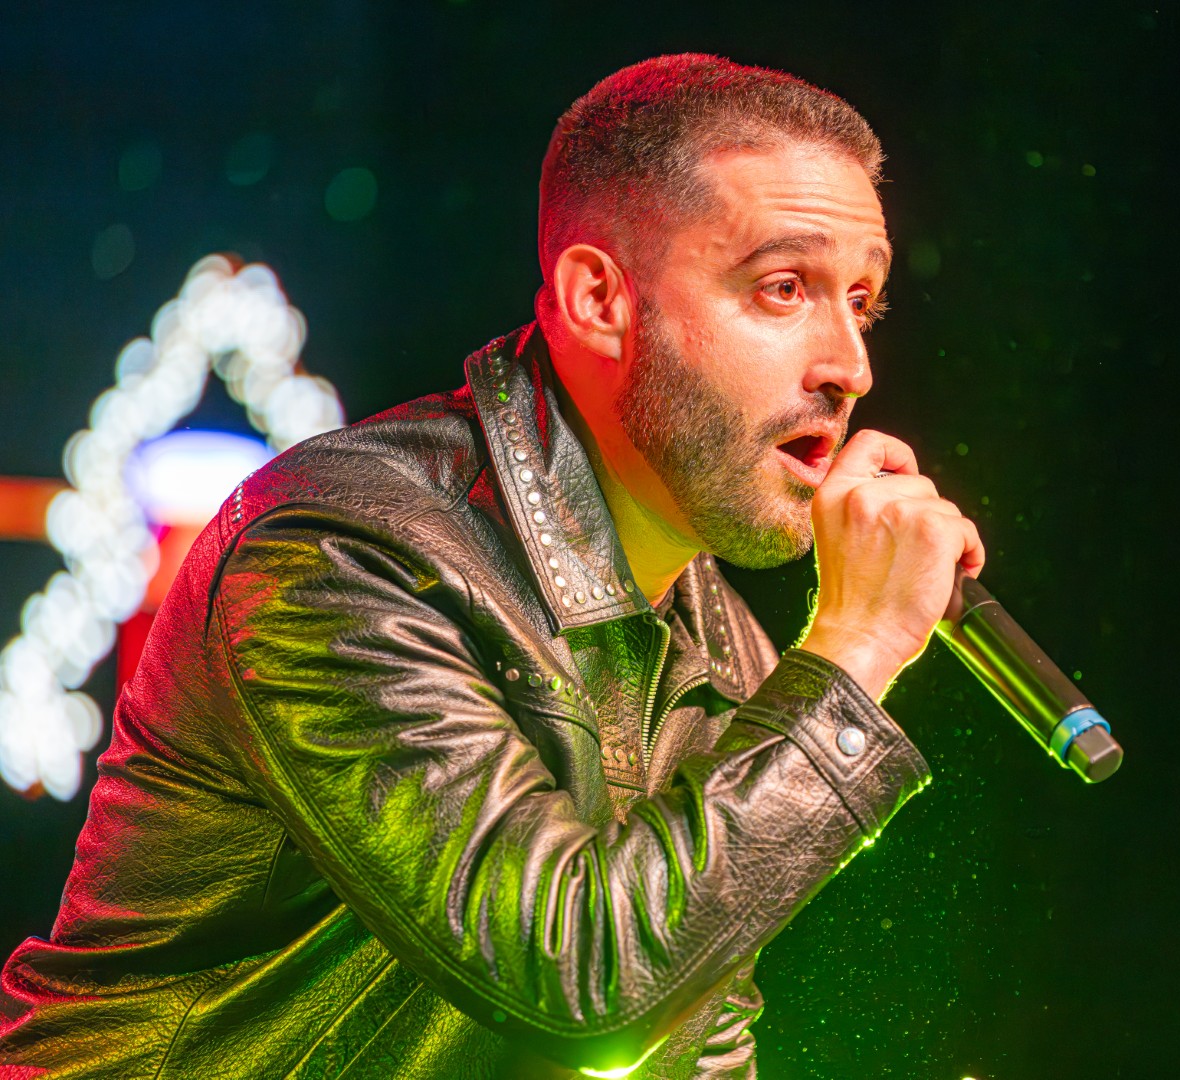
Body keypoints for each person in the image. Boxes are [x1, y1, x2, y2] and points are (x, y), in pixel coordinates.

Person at [0, 53, 984, 1079]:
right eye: (784, 288)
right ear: (599, 298)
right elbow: (580, 983)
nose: (850, 366)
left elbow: (690, 1045)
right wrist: (860, 642)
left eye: (861, 303)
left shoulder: (724, 648)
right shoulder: (341, 552)